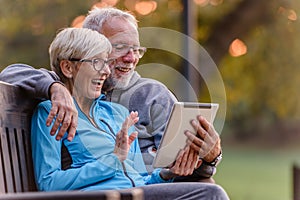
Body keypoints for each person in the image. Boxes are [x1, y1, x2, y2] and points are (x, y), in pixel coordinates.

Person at [0, 7, 221, 180]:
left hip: (151, 186)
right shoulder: (66, 82)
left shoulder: (153, 95)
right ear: (92, 45)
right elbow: (11, 73)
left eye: (136, 50)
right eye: (120, 47)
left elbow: (182, 167)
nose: (131, 57)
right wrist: (55, 89)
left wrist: (210, 158)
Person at [31, 27, 229, 200]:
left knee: (207, 189)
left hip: (135, 193)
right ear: (68, 67)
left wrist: (166, 174)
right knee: (211, 195)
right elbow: (49, 183)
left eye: (106, 63)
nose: (106, 72)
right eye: (96, 63)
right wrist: (112, 160)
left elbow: (138, 178)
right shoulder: (50, 112)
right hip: (104, 197)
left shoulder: (117, 114)